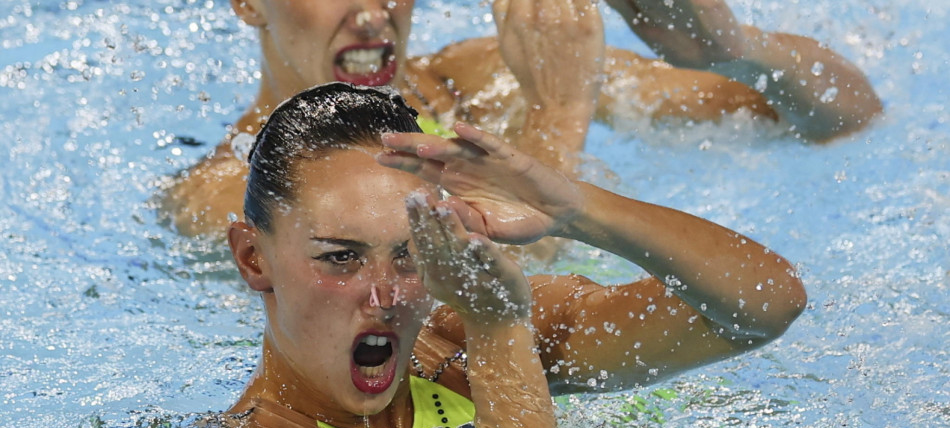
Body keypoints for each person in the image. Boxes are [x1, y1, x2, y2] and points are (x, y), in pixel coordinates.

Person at [157, 83, 806, 428]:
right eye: (340, 257)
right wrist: (500, 327)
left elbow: (763, 304)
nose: (384, 295)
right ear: (252, 258)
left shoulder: (451, 337)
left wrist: (577, 212)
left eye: (410, 253)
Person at [162, 0, 882, 238]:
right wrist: (560, 113)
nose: (375, 8)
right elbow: (441, 288)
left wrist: (734, 48)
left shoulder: (480, 84)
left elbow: (837, 118)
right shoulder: (232, 196)